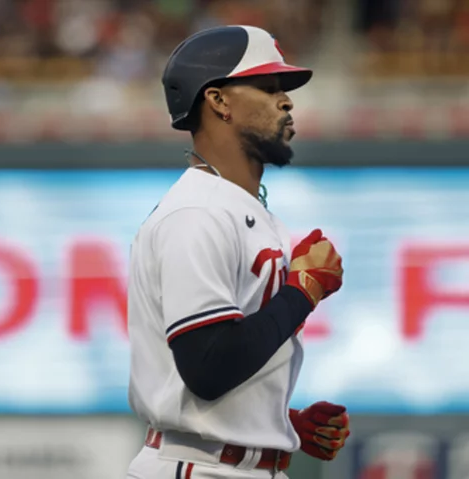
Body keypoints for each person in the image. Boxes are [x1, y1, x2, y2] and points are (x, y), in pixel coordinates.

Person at [125, 25, 351, 479]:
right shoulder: (196, 212)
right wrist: (303, 288)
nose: (286, 101)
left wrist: (274, 424)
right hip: (196, 467)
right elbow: (208, 365)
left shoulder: (240, 208)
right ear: (219, 101)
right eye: (268, 88)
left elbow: (229, 351)